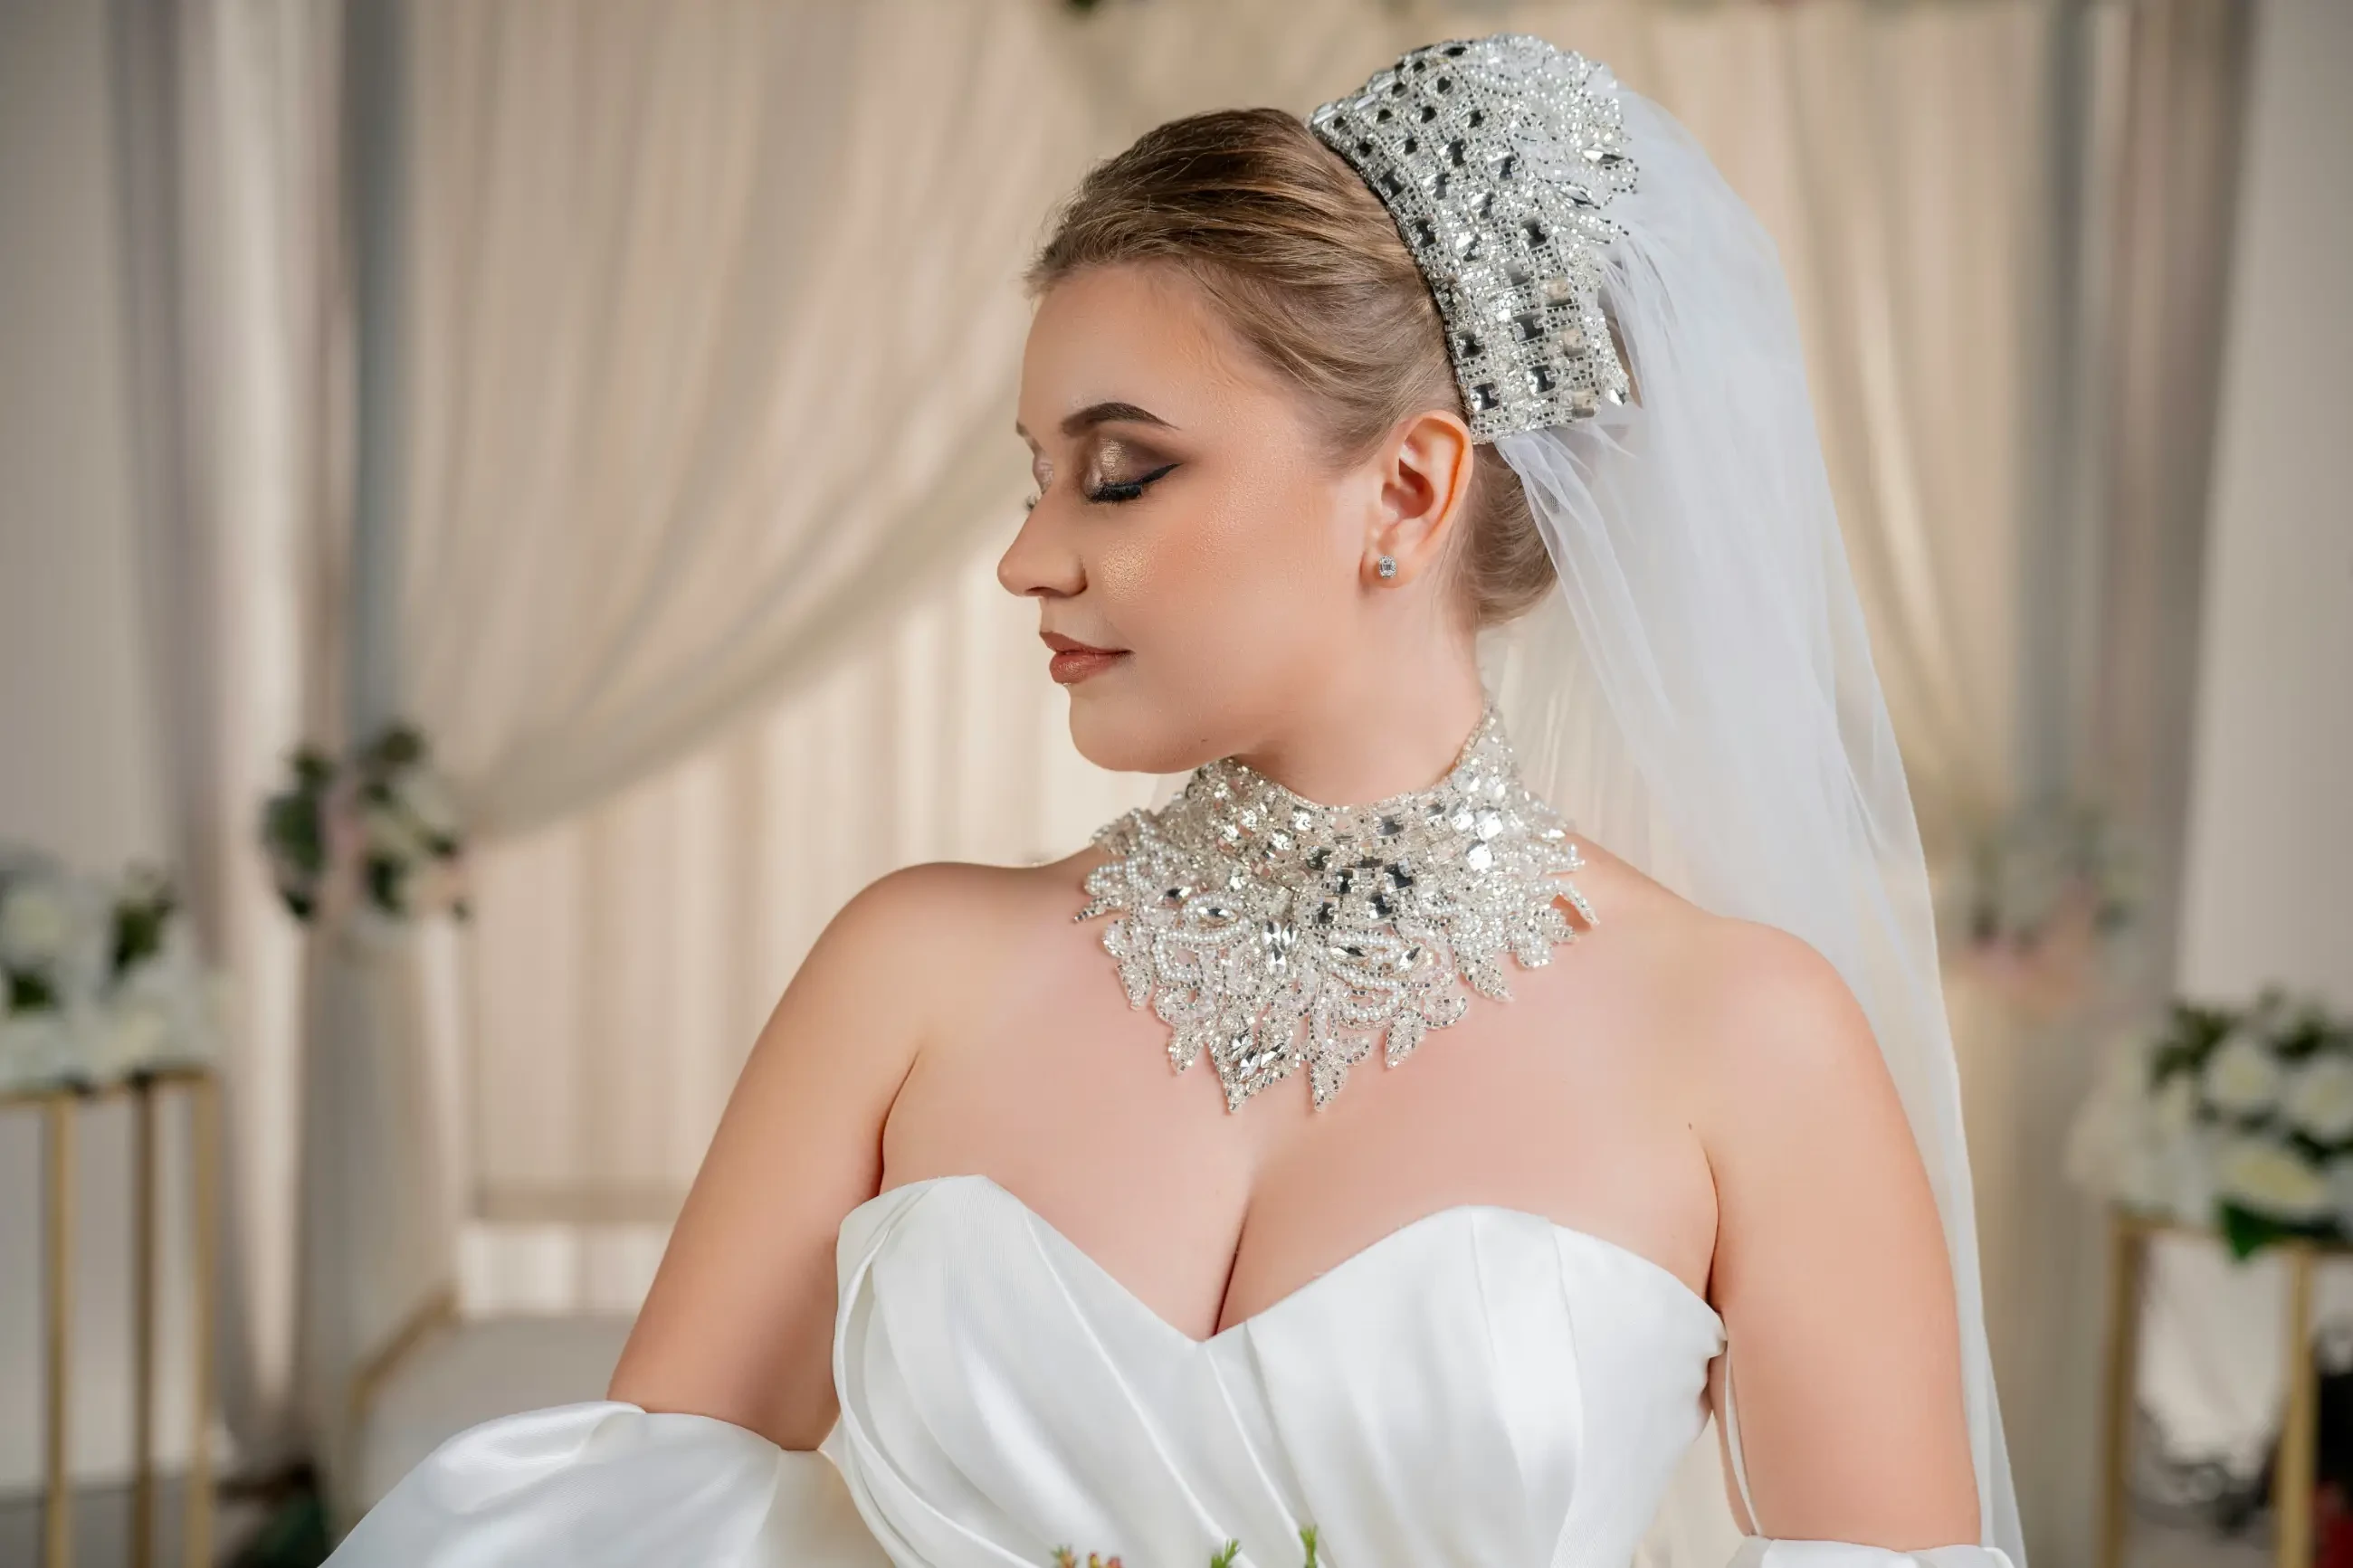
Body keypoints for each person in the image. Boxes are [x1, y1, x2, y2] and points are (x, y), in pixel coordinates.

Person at [329, 34, 2023, 1568]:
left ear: (1408, 491)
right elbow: (634, 1526)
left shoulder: (1746, 1041)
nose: (1028, 557)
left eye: (1121, 473)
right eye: (1036, 476)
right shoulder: (907, 974)